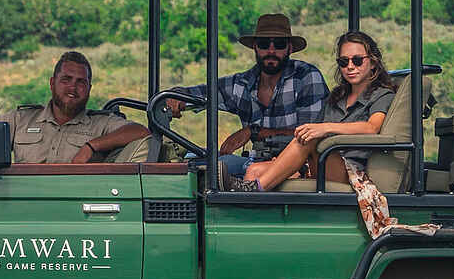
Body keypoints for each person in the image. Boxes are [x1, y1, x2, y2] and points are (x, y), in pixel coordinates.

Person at [161, 12, 328, 184]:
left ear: (290, 48)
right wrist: (176, 95)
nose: (271, 51)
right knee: (193, 163)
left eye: (279, 44)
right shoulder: (243, 83)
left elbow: (310, 135)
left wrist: (253, 131)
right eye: (264, 44)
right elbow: (204, 93)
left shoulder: (306, 77)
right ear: (255, 47)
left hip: (298, 166)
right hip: (254, 162)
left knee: (220, 167)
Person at [236, 30, 395, 190]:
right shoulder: (337, 97)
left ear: (373, 62)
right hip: (319, 162)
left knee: (312, 137)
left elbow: (372, 127)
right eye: (343, 62)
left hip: (352, 171)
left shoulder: (381, 94)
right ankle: (248, 212)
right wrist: (285, 160)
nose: (350, 67)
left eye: (358, 60)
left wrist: (326, 128)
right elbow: (310, 133)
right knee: (254, 169)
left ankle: (253, 189)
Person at [0, 50, 150, 163]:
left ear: (89, 88)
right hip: (20, 205)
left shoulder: (100, 124)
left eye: (81, 82)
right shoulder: (22, 119)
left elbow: (140, 132)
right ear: (52, 83)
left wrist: (91, 146)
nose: (73, 87)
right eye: (66, 79)